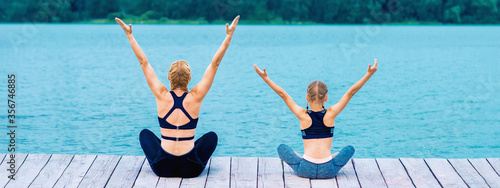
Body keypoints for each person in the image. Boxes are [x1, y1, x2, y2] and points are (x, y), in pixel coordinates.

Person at [115, 15, 239, 178]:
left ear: (169, 78)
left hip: (163, 168)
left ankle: (171, 151)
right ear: (189, 78)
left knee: (145, 134)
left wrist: (129, 35)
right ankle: (187, 151)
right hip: (191, 169)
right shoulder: (196, 96)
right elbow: (215, 64)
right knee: (211, 137)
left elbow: (143, 62)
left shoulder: (161, 95)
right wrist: (229, 36)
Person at [253, 59, 378, 179]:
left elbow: (283, 94)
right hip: (329, 170)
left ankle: (305, 159)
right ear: (326, 98)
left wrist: (265, 78)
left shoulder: (302, 115)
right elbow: (351, 92)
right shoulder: (331, 114)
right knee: (350, 149)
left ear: (307, 96)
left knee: (281, 148)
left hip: (305, 168)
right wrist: (369, 74)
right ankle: (330, 158)